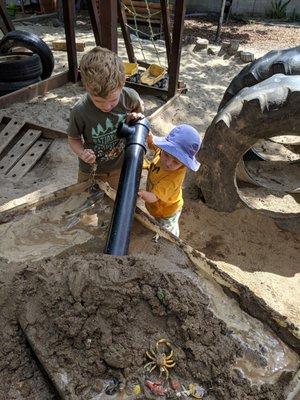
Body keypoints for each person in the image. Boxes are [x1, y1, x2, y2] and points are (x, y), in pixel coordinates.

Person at [67, 46, 144, 189]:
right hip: (90, 170)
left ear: (122, 85)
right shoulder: (80, 110)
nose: (107, 107)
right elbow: (73, 138)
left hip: (120, 166)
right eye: (99, 102)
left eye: (113, 100)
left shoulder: (130, 97)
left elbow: (140, 116)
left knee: (115, 198)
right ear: (87, 89)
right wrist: (82, 153)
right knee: (84, 200)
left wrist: (135, 117)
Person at [138, 125, 201, 237]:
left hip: (167, 211)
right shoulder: (163, 151)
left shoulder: (172, 180)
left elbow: (153, 197)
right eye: (166, 155)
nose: (168, 163)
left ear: (184, 163)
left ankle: (174, 239)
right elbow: (153, 143)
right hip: (158, 206)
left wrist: (140, 193)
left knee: (166, 233)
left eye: (176, 162)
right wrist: (148, 134)